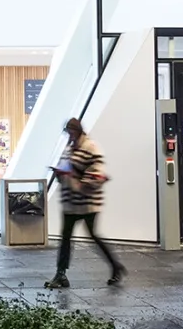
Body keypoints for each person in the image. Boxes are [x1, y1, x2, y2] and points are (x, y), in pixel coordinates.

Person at [46, 117, 125, 288]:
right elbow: (67, 170)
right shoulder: (69, 148)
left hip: (87, 202)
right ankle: (61, 273)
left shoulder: (91, 147)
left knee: (91, 235)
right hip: (70, 202)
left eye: (71, 132)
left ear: (77, 131)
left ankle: (115, 266)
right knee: (67, 237)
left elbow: (97, 173)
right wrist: (61, 175)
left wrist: (78, 181)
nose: (69, 135)